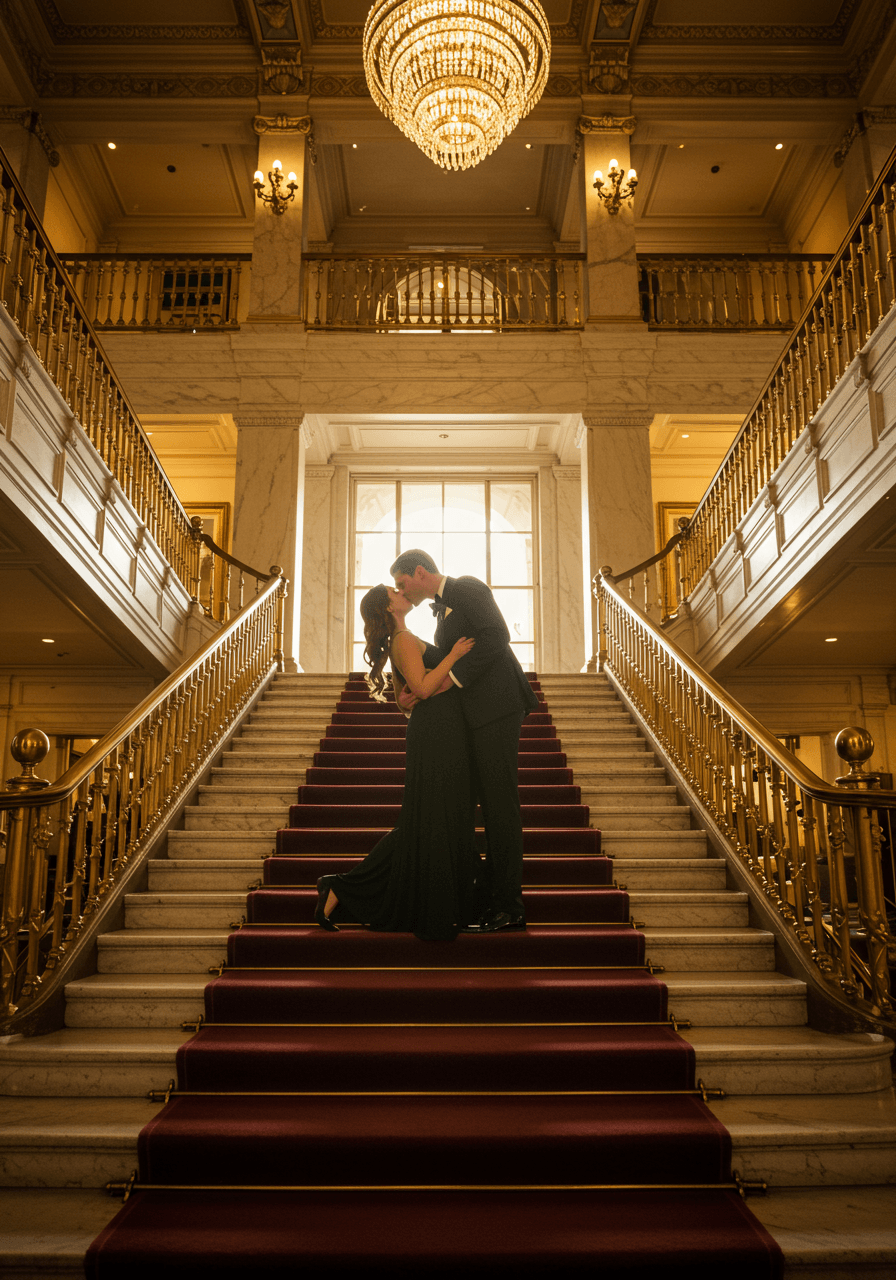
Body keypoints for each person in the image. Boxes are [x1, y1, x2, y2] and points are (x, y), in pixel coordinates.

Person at [315, 584, 480, 942]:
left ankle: (340, 888)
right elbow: (420, 690)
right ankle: (343, 887)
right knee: (428, 820)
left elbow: (408, 698)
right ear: (388, 607)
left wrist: (408, 702)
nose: (401, 591)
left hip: (438, 731)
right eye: (394, 590)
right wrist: (452, 656)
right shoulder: (403, 637)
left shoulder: (403, 637)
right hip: (436, 735)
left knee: (425, 822)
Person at [390, 549, 540, 932]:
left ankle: (510, 906)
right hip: (470, 718)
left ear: (420, 572)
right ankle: (481, 899)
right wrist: (412, 692)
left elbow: (496, 636)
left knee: (499, 806)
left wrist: (446, 683)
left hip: (497, 709)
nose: (401, 591)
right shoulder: (440, 613)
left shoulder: (467, 588)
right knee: (475, 806)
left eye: (402, 583)